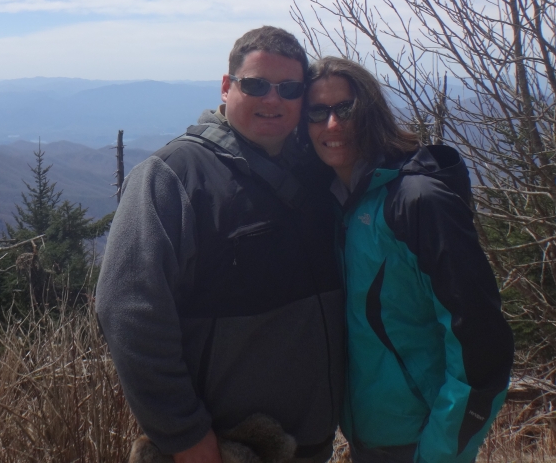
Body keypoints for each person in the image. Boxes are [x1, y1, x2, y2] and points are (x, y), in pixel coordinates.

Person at [96, 26, 343, 463]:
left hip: (312, 443)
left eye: (289, 89)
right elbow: (127, 309)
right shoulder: (173, 176)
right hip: (225, 449)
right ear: (227, 87)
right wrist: (184, 434)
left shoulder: (318, 170)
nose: (273, 99)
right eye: (256, 85)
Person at [304, 56, 513, 463]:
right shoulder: (335, 204)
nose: (332, 124)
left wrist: (440, 452)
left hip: (422, 442)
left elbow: (482, 341)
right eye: (317, 112)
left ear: (371, 111)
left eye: (345, 108)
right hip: (366, 437)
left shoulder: (417, 202)